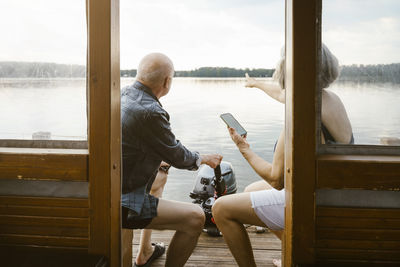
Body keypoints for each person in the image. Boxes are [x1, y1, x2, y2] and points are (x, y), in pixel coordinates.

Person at [212, 44, 353, 267]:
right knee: (251, 190)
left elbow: (276, 179)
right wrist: (257, 84)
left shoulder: (300, 114)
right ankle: (293, 255)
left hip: (309, 203)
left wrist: (244, 149)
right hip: (330, 193)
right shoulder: (330, 99)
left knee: (221, 208)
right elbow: (281, 94)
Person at [121, 53, 223, 267]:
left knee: (159, 178)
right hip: (123, 202)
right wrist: (204, 159)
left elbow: (132, 144)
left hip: (110, 185)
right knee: (195, 217)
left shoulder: (121, 95)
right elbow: (179, 156)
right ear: (167, 82)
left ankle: (145, 252)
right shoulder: (151, 112)